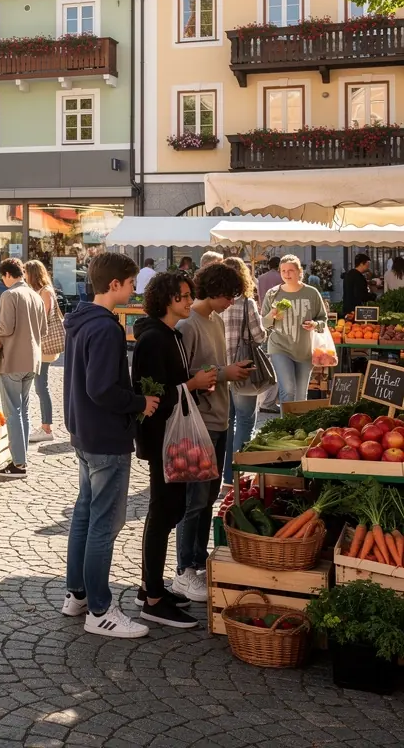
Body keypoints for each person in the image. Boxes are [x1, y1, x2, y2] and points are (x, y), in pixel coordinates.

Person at [62, 252, 158, 638]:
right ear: (114, 284)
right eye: (131, 283)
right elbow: (101, 388)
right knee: (102, 524)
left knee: (85, 517)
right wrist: (140, 402)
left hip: (86, 434)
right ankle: (100, 609)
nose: (134, 289)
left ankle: (78, 595)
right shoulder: (105, 328)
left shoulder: (82, 320)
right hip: (105, 437)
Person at [132, 271, 217, 629]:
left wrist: (193, 385)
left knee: (170, 510)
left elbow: (172, 383)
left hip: (174, 436)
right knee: (163, 511)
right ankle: (152, 596)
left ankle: (151, 588)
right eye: (183, 296)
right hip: (162, 437)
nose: (188, 300)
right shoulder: (153, 338)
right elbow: (150, 392)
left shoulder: (172, 334)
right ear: (167, 299)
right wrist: (191, 384)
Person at [174, 263, 253, 602]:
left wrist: (229, 373)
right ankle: (183, 569)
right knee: (194, 501)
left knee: (208, 498)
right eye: (229, 297)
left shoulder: (216, 321)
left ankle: (197, 559)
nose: (231, 304)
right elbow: (186, 374)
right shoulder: (187, 324)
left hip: (219, 418)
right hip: (199, 423)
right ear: (216, 291)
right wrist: (224, 372)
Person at [0, 258, 46, 479]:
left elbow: (5, 328)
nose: (2, 281)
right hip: (33, 361)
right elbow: (43, 330)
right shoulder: (35, 295)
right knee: (23, 411)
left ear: (8, 275)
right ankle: (21, 459)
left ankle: (18, 464)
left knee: (13, 412)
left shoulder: (10, 295)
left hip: (13, 360)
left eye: (2, 277)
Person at [220, 257, 269, 486]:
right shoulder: (246, 303)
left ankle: (222, 475)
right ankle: (234, 477)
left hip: (219, 370)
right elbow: (259, 337)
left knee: (225, 424)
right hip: (242, 370)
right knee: (245, 421)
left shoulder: (213, 302)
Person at [261, 254, 327, 405]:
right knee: (288, 389)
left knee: (301, 395)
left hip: (305, 350)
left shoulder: (311, 293)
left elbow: (323, 319)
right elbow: (264, 324)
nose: (286, 274)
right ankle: (286, 426)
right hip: (280, 347)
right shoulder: (273, 294)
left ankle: (299, 426)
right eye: (283, 271)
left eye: (290, 270)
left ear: (299, 271)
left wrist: (315, 325)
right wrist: (272, 314)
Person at [25, 259, 59, 443]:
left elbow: (42, 319)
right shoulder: (38, 291)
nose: (24, 276)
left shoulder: (45, 292)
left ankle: (47, 428)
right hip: (38, 345)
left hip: (44, 346)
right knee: (39, 386)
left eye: (25, 272)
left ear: (33, 274)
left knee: (41, 387)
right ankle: (45, 426)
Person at [342, 252, 372, 318]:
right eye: (367, 264)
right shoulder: (359, 277)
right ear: (361, 264)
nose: (368, 266)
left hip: (346, 308)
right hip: (356, 310)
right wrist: (372, 296)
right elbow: (360, 295)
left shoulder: (349, 274)